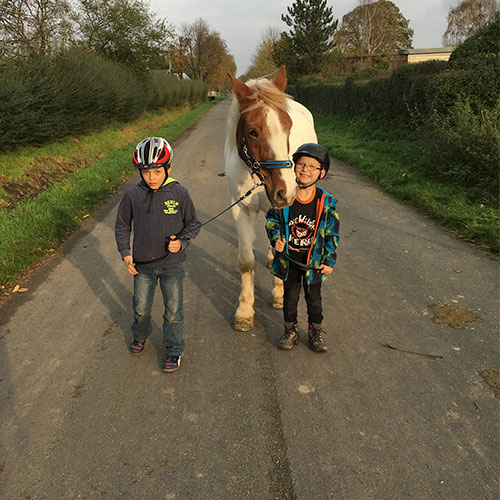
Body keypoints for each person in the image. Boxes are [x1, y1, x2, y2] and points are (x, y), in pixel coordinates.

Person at [115, 137, 200, 372]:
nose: (151, 177)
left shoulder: (179, 193)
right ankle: (140, 334)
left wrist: (182, 242)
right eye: (145, 172)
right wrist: (125, 252)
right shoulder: (132, 195)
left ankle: (174, 349)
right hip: (143, 265)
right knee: (141, 307)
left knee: (173, 311)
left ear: (168, 168)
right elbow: (122, 226)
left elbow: (193, 224)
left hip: (173, 265)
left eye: (156, 171)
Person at [265, 143, 339, 352]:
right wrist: (276, 237)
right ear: (294, 167)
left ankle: (315, 331)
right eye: (301, 164)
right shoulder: (285, 197)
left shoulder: (326, 202)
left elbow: (332, 234)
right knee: (289, 298)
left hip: (313, 263)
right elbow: (272, 220)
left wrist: (329, 261)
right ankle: (290, 330)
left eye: (312, 167)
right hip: (289, 261)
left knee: (314, 300)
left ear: (321, 173)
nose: (305, 170)